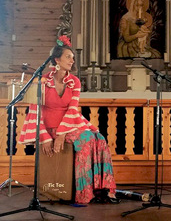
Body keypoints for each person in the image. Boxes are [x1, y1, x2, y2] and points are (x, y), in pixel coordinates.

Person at [18, 35, 120, 204]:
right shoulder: (42, 80)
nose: (72, 61)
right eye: (68, 57)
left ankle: (103, 189)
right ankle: (83, 194)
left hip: (69, 125)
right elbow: (36, 112)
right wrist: (44, 138)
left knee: (99, 138)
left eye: (73, 58)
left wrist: (61, 134)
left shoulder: (74, 81)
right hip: (48, 126)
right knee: (86, 140)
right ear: (56, 59)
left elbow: (73, 109)